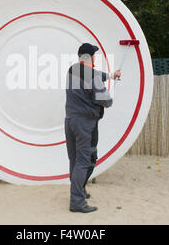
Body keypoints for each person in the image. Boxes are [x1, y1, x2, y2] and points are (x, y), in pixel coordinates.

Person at [64, 43, 121, 213]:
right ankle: (77, 201)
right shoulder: (92, 75)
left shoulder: (72, 70)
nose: (96, 58)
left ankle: (78, 191)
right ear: (90, 57)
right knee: (86, 160)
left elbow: (93, 76)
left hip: (71, 121)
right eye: (94, 55)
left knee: (75, 160)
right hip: (85, 123)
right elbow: (105, 100)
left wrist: (111, 76)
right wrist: (109, 99)